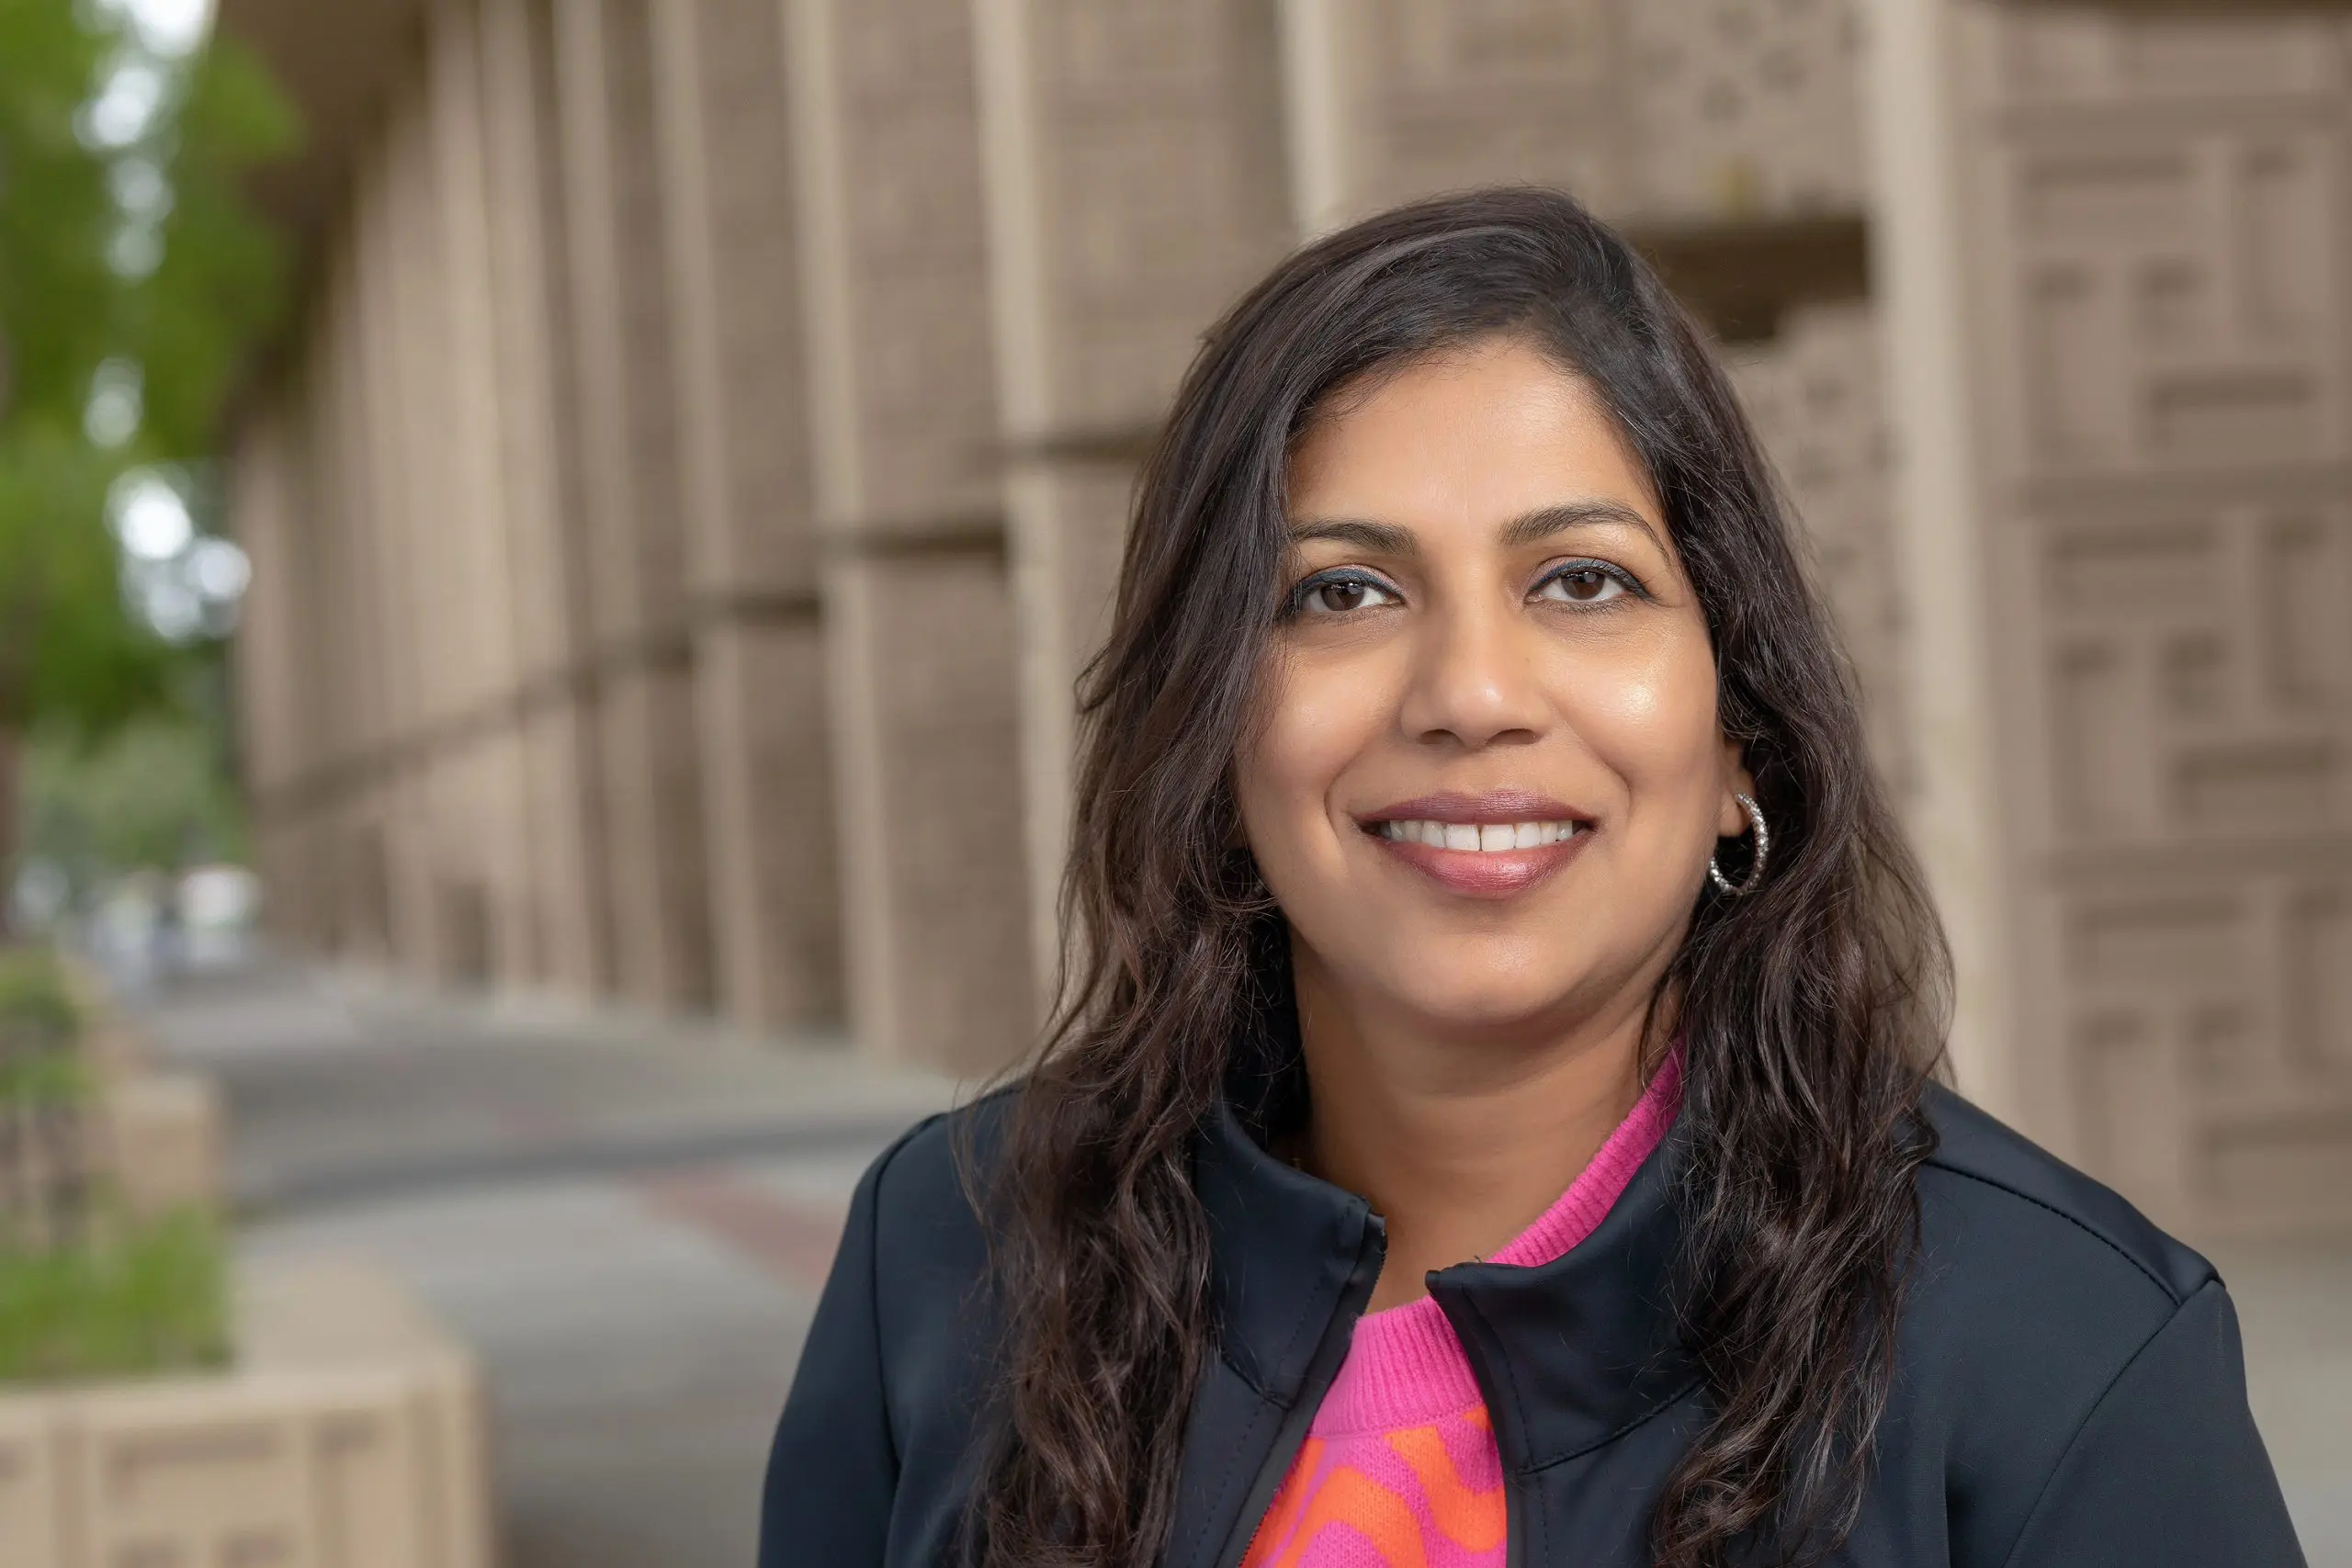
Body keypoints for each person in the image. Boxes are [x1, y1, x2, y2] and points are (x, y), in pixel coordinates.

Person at [758, 188, 2303, 1568]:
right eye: (1342, 591)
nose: (1471, 690)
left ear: (1739, 742)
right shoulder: (953, 1252)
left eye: (1583, 580)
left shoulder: (2062, 1349)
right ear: (1212, 730)